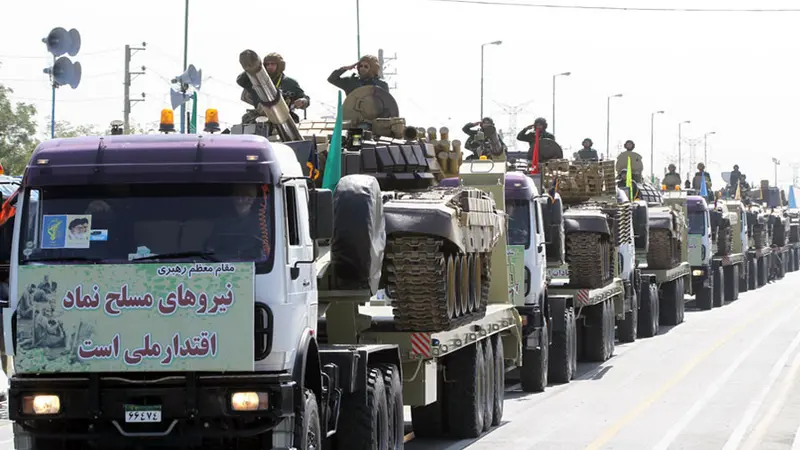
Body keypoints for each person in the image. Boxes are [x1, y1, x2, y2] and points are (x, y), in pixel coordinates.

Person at [237, 52, 310, 124]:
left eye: (273, 64)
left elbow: (305, 99)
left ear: (280, 65)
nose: (270, 67)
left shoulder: (289, 83)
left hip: (283, 119)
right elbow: (240, 80)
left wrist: (302, 101)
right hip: (260, 117)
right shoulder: (257, 80)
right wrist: (252, 67)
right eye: (267, 64)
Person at [206, 184, 270, 261]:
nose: (240, 200)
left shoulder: (262, 221)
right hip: (226, 265)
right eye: (237, 196)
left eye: (244, 197)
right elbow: (211, 246)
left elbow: (268, 249)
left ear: (252, 199)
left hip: (255, 265)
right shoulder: (223, 222)